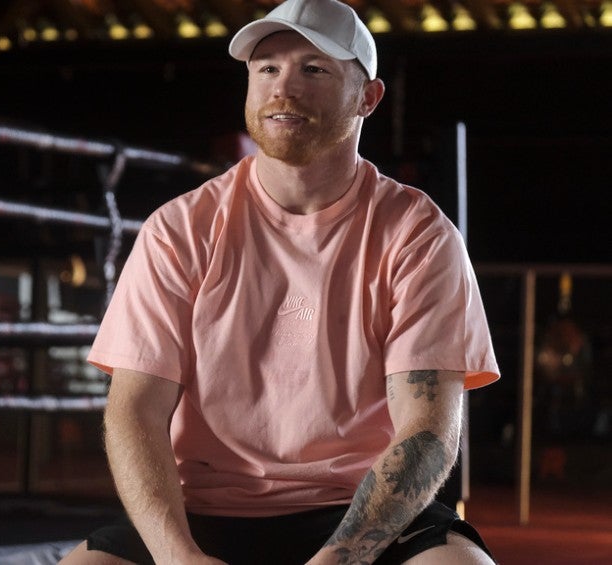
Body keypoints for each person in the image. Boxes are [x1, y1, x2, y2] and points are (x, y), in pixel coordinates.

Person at [60, 0, 500, 563]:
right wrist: (178, 557)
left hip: (363, 509)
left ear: (367, 98)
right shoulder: (180, 228)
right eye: (267, 68)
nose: (283, 88)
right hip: (205, 509)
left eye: (313, 69)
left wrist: (338, 560)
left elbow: (428, 431)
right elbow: (134, 411)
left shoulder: (417, 234)